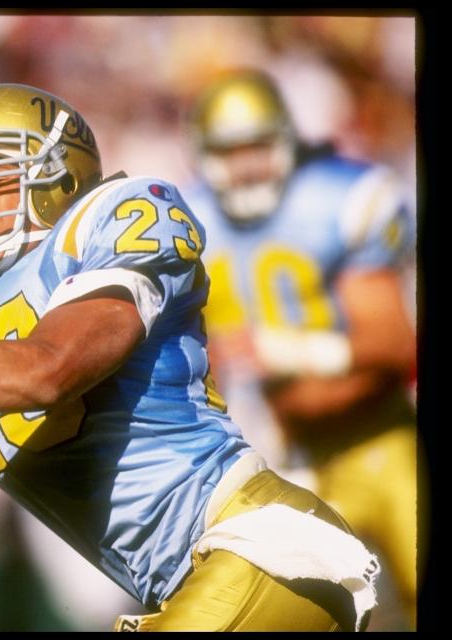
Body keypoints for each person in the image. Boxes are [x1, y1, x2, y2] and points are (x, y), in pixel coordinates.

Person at [0, 82, 382, 631]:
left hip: (257, 542)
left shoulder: (115, 216)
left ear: (59, 177)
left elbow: (49, 370)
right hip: (175, 588)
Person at [182, 69, 419, 627]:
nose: (245, 166)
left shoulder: (335, 199)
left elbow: (392, 341)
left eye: (258, 147)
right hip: (264, 466)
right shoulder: (185, 223)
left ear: (287, 141)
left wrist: (284, 351)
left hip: (373, 440)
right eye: (229, 151)